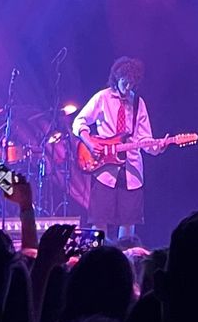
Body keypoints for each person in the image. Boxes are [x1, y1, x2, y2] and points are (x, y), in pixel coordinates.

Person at [71, 58, 167, 243]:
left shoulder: (138, 103)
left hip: (131, 170)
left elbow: (145, 139)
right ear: (117, 77)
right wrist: (90, 143)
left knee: (129, 221)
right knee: (99, 220)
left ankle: (126, 263)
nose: (128, 86)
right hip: (105, 169)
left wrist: (158, 147)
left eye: (132, 83)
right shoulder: (102, 97)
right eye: (125, 81)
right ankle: (96, 259)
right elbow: (79, 121)